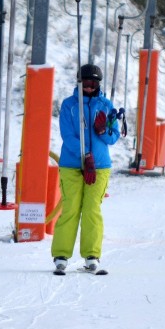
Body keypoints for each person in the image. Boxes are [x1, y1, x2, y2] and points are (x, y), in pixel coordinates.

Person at [51, 64, 120, 273]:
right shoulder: (69, 105)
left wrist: (102, 131)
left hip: (100, 166)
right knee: (71, 208)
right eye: (86, 83)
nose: (90, 88)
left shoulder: (106, 105)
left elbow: (113, 136)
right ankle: (61, 254)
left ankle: (92, 254)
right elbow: (68, 135)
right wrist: (85, 155)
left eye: (94, 83)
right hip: (72, 165)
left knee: (92, 210)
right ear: (79, 83)